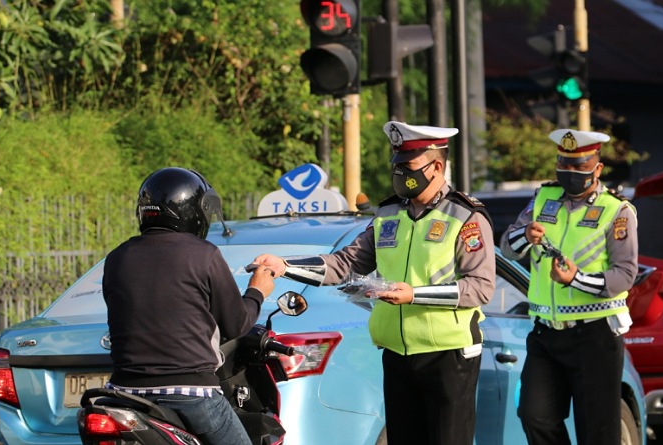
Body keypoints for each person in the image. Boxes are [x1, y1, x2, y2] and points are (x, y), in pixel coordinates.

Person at [252, 121, 496, 445]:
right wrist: (285, 266)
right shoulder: (387, 215)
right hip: (396, 354)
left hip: (449, 355)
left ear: (436, 166)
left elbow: (481, 286)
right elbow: (344, 264)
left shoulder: (465, 216)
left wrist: (414, 295)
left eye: (408, 166)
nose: (400, 174)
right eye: (397, 165)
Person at [102, 167, 276, 445]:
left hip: (124, 392)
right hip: (189, 393)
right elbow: (237, 324)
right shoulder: (203, 255)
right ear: (195, 210)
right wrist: (257, 290)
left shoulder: (116, 258)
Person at [499, 129, 638, 445]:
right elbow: (507, 246)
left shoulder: (616, 210)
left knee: (597, 431)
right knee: (535, 416)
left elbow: (624, 275)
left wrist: (576, 279)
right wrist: (527, 236)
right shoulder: (543, 198)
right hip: (546, 333)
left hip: (595, 334)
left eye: (579, 166)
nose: (570, 172)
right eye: (564, 165)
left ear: (597, 168)